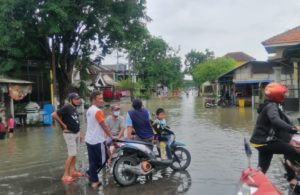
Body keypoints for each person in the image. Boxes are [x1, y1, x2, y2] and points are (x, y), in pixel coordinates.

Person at [250, 83, 300, 185]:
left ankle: (254, 185)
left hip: (260, 142)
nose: (285, 96)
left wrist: (292, 130)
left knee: (263, 167)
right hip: (265, 141)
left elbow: (282, 123)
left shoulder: (270, 105)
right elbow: (275, 120)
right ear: (278, 95)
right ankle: (293, 179)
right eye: (283, 94)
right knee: (290, 150)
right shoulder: (272, 106)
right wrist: (293, 129)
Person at [52, 92, 84, 183]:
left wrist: (80, 133)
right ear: (71, 100)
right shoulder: (67, 107)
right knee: (71, 154)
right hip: (69, 134)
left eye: (78, 99)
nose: (78, 101)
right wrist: (63, 124)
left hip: (76, 133)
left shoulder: (75, 109)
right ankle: (65, 175)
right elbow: (54, 114)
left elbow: (77, 121)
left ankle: (72, 171)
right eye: (76, 99)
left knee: (74, 153)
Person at [85, 91, 113, 188]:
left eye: (102, 98)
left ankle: (91, 175)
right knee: (103, 160)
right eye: (100, 99)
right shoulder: (97, 111)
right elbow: (104, 125)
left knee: (93, 161)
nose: (102, 100)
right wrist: (111, 136)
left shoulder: (89, 110)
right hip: (97, 140)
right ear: (93, 99)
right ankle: (94, 180)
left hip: (89, 139)